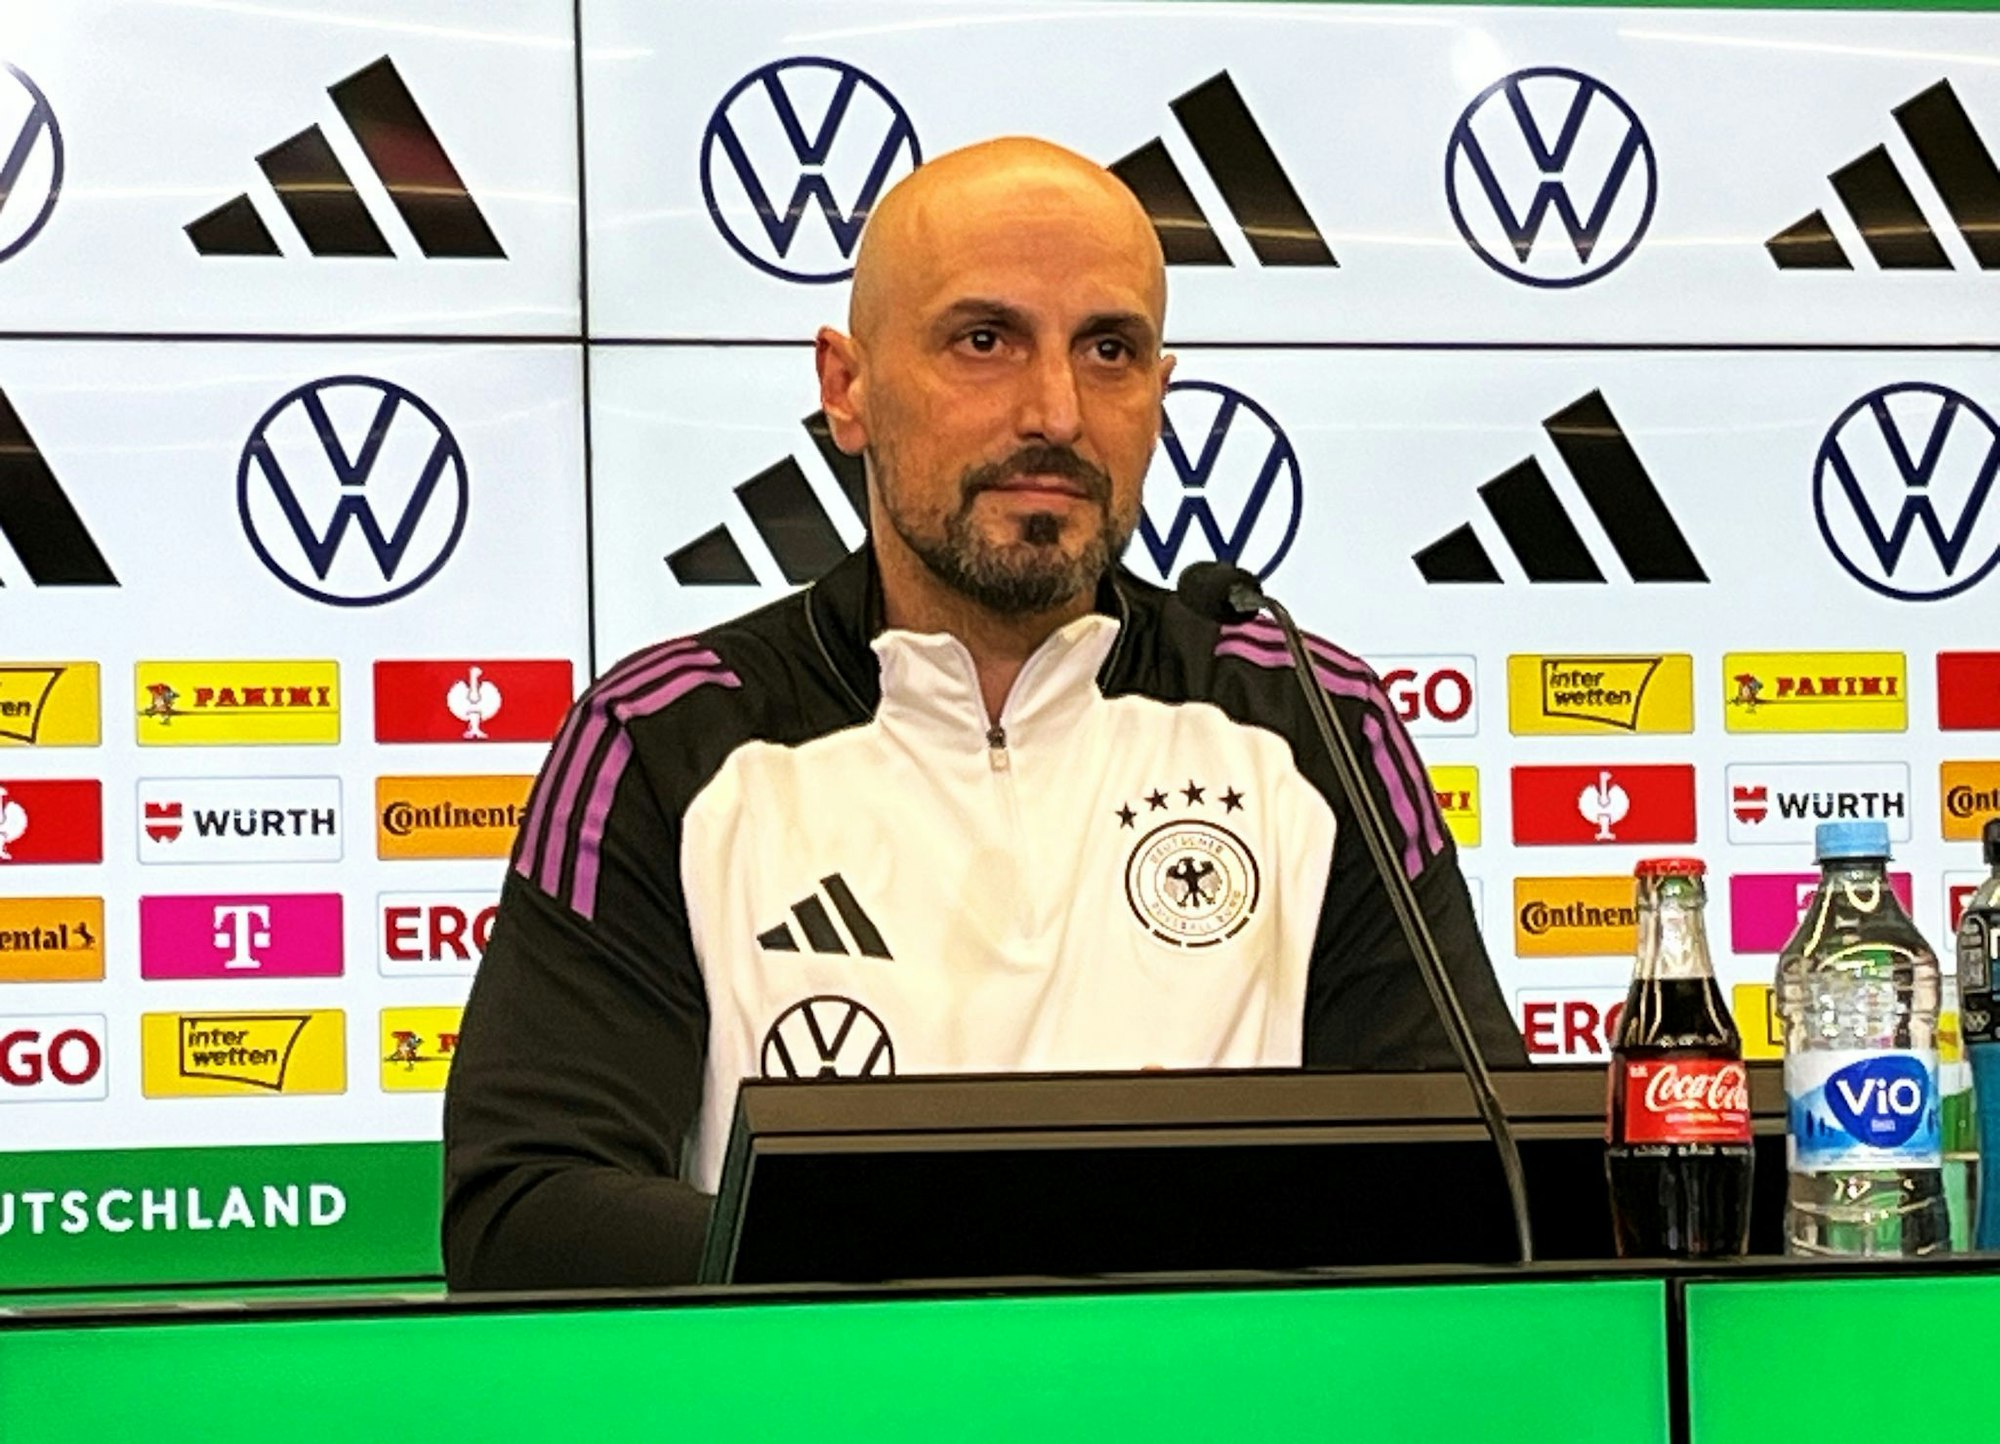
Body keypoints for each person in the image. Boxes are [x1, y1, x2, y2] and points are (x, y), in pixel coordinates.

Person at [442, 137, 1524, 1291]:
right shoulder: (666, 739)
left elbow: (1482, 1191)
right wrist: (979, 1256)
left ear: (1159, 393)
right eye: (984, 341)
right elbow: (526, 1217)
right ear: (845, 389)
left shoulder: (1311, 725)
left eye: (1108, 349)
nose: (1053, 411)